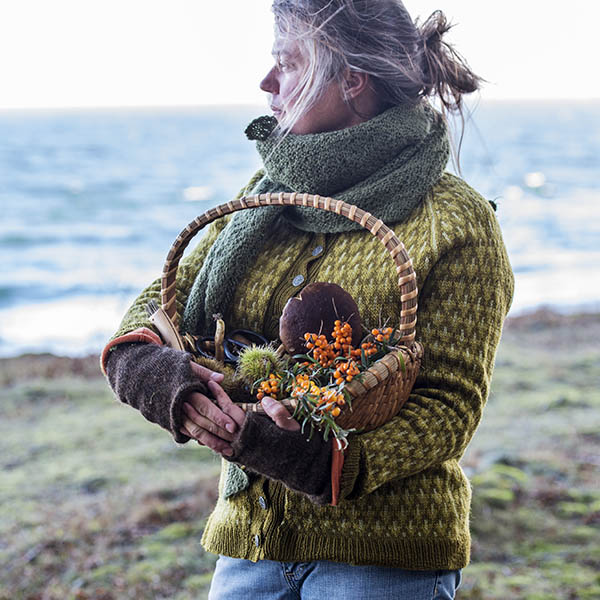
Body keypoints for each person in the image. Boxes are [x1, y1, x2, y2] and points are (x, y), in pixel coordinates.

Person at [101, 1, 514, 598]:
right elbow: (163, 300)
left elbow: (449, 407)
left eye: (287, 63)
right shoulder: (263, 199)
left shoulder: (456, 222)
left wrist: (321, 463)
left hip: (384, 556)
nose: (266, 83)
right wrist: (151, 370)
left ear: (351, 79)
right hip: (251, 544)